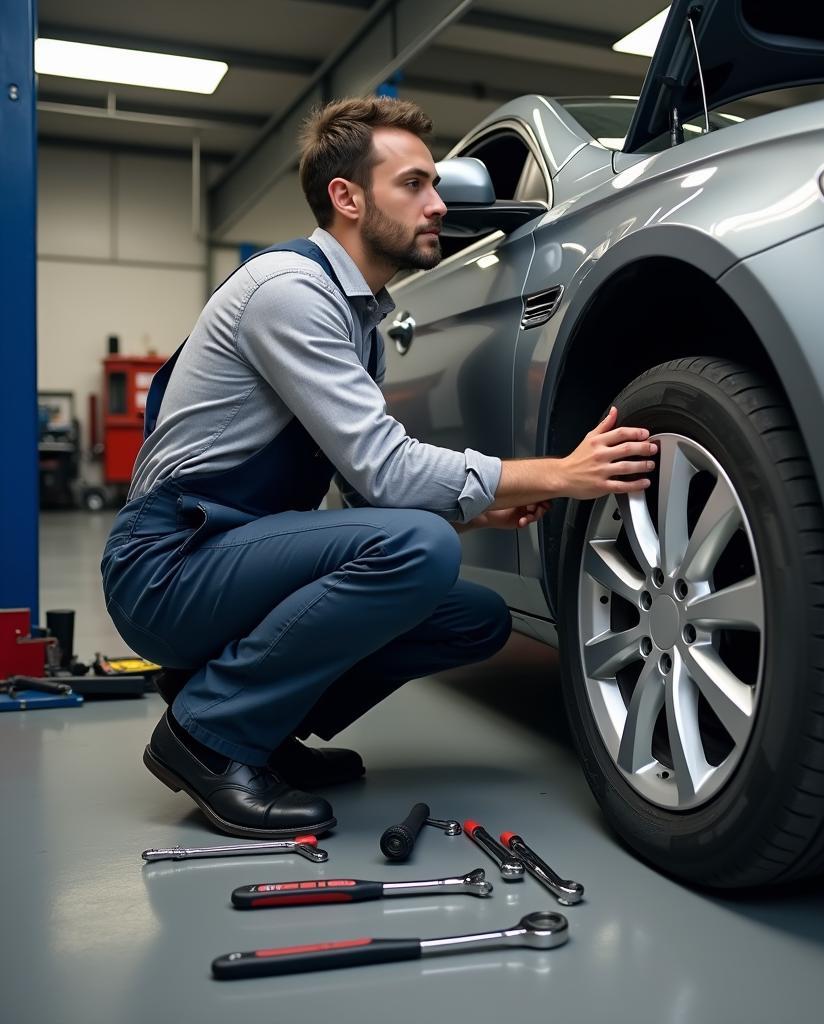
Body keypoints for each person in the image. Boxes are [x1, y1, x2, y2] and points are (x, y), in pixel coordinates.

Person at [100, 97, 657, 840]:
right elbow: (388, 475)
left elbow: (359, 485)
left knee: (475, 618)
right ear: (347, 197)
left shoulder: (356, 314)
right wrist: (556, 473)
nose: (439, 205)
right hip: (166, 568)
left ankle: (261, 728)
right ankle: (207, 736)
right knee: (416, 549)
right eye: (416, 185)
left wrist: (483, 504)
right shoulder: (291, 293)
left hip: (222, 554)